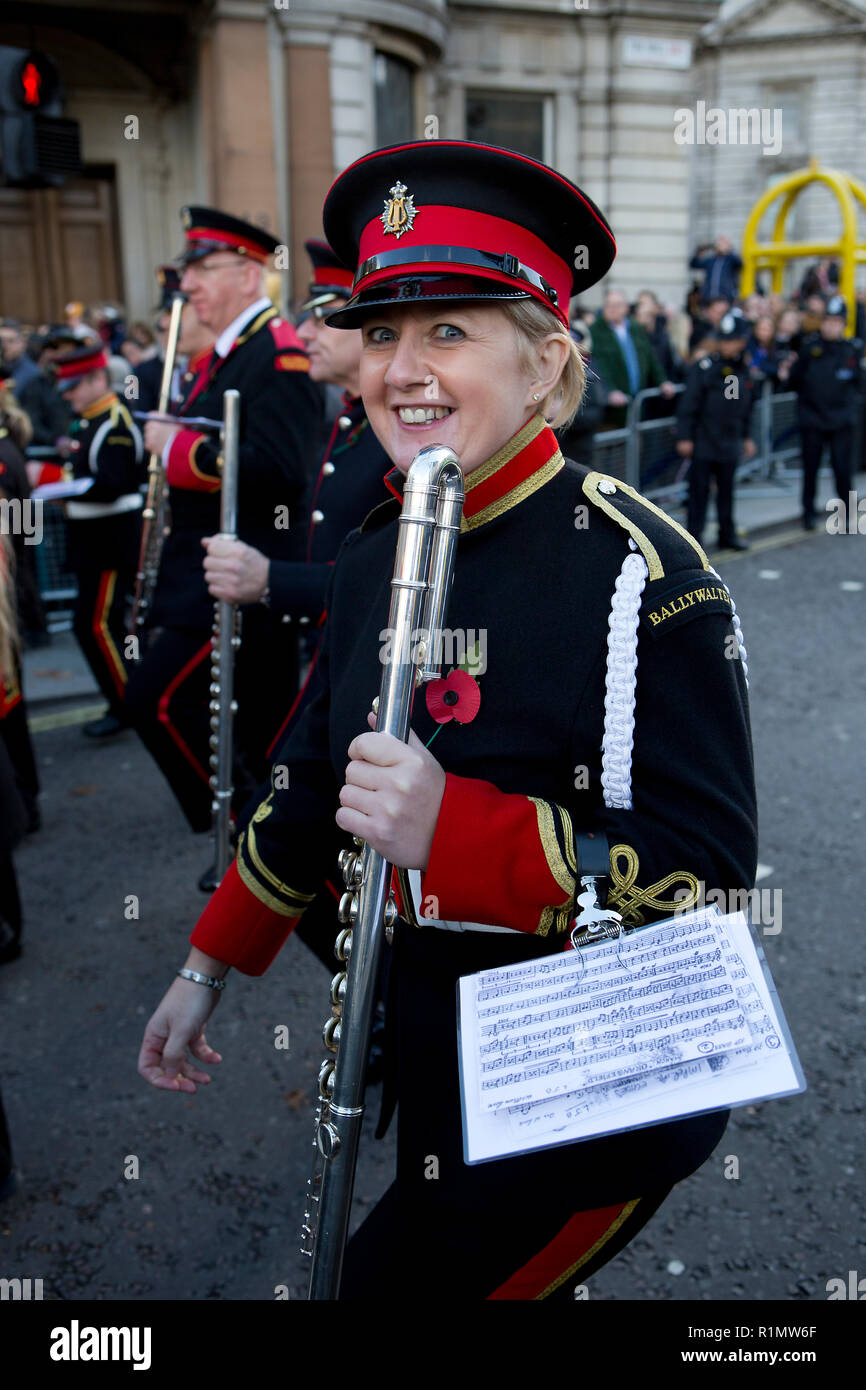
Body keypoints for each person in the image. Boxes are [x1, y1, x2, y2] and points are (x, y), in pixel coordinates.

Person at [137, 139, 758, 1301]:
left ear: (543, 368)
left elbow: (712, 879)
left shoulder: (643, 572)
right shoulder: (375, 547)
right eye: (381, 334)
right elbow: (315, 774)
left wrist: (459, 832)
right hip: (440, 1055)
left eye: (448, 331)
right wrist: (209, 962)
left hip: (594, 1103)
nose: (400, 370)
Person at [125, 206, 321, 873]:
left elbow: (282, 468)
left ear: (247, 273)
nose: (189, 286)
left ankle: (243, 828)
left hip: (241, 573)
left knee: (152, 699)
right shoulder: (227, 354)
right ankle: (262, 842)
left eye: (202, 270)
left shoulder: (279, 353)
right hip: (202, 571)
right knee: (258, 726)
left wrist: (181, 449)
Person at [202, 237, 390, 627]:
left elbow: (391, 585)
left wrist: (273, 580)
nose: (303, 334)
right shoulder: (350, 422)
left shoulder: (399, 434)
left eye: (323, 316)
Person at [52, 344, 146, 736]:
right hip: (92, 543)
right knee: (97, 625)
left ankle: (129, 704)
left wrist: (58, 489)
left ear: (95, 380)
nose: (68, 394)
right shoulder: (87, 420)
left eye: (74, 386)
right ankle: (125, 700)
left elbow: (114, 484)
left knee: (98, 626)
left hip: (109, 542)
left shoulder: (114, 421)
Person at [676, 312, 756, 551]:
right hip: (704, 439)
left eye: (732, 340)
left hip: (730, 439)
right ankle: (694, 540)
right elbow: (689, 404)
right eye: (724, 340)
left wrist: (747, 435)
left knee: (727, 491)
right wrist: (685, 436)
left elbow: (747, 406)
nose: (726, 345)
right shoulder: (705, 367)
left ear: (742, 341)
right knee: (698, 492)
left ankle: (726, 533)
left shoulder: (744, 369)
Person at [783, 294, 863, 530]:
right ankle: (808, 514)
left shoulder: (851, 350)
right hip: (813, 419)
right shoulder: (810, 348)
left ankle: (846, 517)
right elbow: (794, 380)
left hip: (841, 421)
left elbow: (857, 383)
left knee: (843, 470)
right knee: (810, 469)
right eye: (828, 321)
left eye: (837, 322)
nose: (832, 326)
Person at [591, 288, 676, 429]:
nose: (611, 309)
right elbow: (597, 365)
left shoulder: (635, 328)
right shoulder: (596, 331)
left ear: (625, 308)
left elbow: (650, 358)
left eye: (616, 305)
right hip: (611, 409)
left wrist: (662, 381)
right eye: (608, 305)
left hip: (636, 403)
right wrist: (610, 390)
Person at [689, 235, 742, 304]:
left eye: (724, 243)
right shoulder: (711, 259)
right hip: (709, 296)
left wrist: (729, 250)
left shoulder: (730, 259)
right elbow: (694, 264)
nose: (721, 245)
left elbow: (740, 263)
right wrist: (700, 250)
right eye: (720, 243)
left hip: (725, 297)